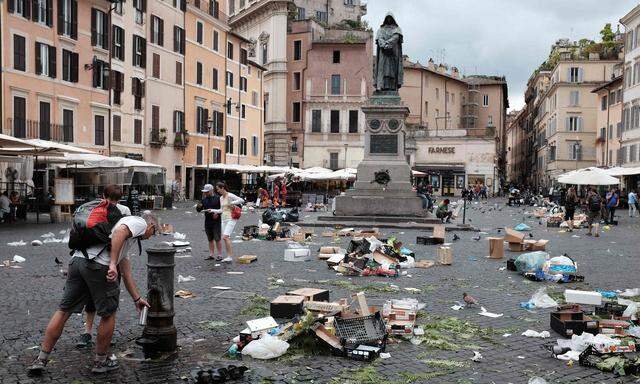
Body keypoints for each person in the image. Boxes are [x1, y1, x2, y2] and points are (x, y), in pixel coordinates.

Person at [27, 209, 157, 375]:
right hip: (99, 266)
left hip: (77, 261)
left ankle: (41, 359)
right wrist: (111, 264)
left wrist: (136, 298)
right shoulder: (139, 222)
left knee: (63, 311)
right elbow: (119, 232)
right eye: (154, 232)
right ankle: (100, 362)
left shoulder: (123, 241)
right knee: (108, 314)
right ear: (151, 225)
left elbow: (126, 273)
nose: (152, 235)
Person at [76, 185, 132, 349]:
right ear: (120, 197)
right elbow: (125, 238)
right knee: (109, 302)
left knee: (90, 299)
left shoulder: (93, 206)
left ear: (102, 195)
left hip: (88, 258)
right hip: (112, 260)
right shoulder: (124, 210)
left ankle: (87, 332)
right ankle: (106, 334)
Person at [211, 182, 244, 262]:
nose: (217, 191)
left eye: (218, 189)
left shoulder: (230, 195)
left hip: (231, 218)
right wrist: (212, 210)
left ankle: (229, 256)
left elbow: (241, 200)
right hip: (224, 219)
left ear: (222, 188)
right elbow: (221, 210)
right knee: (226, 238)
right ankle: (229, 256)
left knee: (225, 237)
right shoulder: (221, 198)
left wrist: (232, 203)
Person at [196, 184, 223, 261]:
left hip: (216, 221)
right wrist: (199, 206)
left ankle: (220, 255)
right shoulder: (204, 199)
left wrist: (217, 214)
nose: (205, 193)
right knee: (210, 239)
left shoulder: (218, 198)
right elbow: (198, 210)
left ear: (211, 191)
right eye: (204, 192)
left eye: (207, 192)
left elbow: (222, 209)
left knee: (217, 238)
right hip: (207, 221)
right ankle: (211, 254)